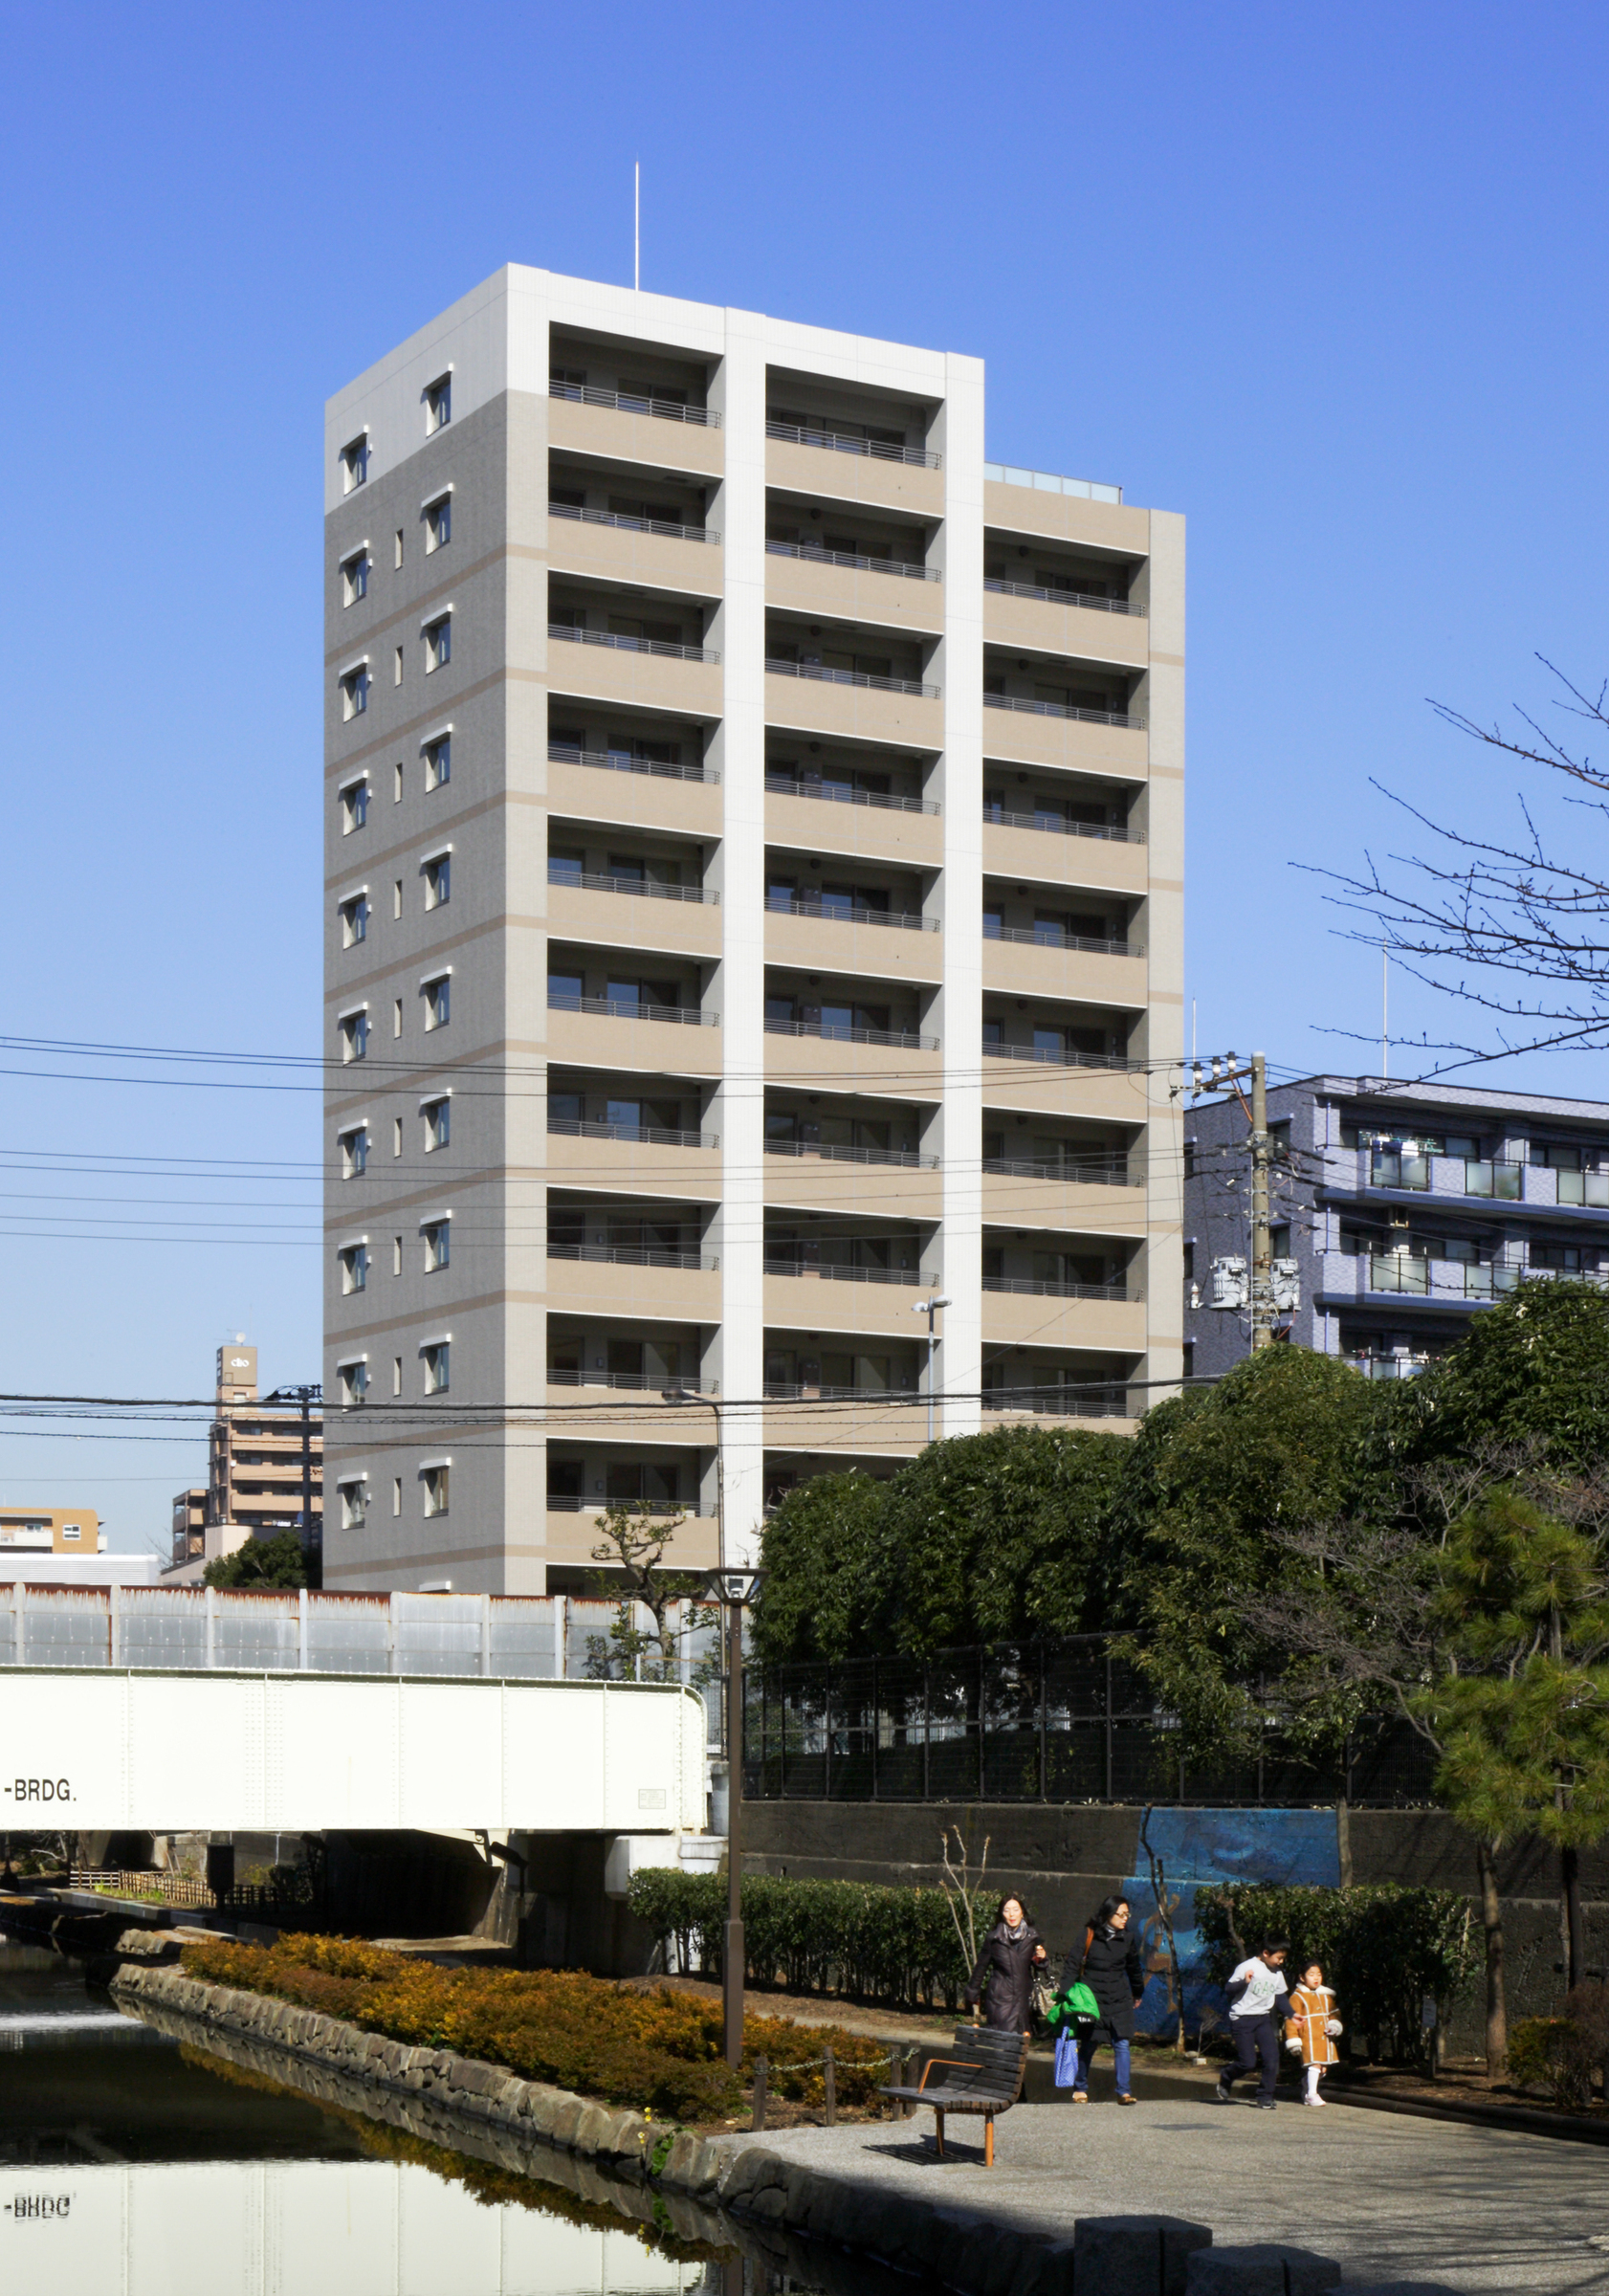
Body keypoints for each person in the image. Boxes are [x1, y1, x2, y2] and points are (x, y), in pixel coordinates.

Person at [1058, 1893, 1146, 2105]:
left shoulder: (1127, 1939)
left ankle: (1123, 2091)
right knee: (1088, 2043)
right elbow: (1072, 1965)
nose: (1125, 1918)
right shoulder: (1088, 1935)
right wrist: (1065, 1994)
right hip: (1091, 2001)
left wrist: (1138, 1992)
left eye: (1127, 1914)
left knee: (1122, 2043)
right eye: (1121, 1914)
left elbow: (1134, 1969)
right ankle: (1080, 2088)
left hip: (1119, 1999)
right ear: (1108, 1914)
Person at [1216, 1934, 1291, 2109]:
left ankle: (1265, 2096)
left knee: (1272, 2058)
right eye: (1278, 1958)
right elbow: (1229, 1989)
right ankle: (1227, 2077)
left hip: (1262, 2018)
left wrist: (1292, 2014)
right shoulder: (1248, 1967)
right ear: (1266, 1953)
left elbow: (1280, 1997)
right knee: (1248, 2062)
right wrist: (1244, 1981)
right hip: (1242, 2019)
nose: (1281, 1962)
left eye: (1283, 1958)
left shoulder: (1277, 1973)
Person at [963, 1895, 1047, 2035]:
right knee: (1003, 2040)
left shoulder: (1032, 1937)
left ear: (1022, 1912)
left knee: (1021, 2042)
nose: (1011, 1914)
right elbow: (981, 1967)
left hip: (1023, 1998)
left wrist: (1042, 1959)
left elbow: (1040, 1966)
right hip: (1001, 1998)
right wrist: (972, 1993)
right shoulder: (994, 1938)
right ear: (1002, 1914)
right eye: (1007, 1910)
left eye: (1015, 1909)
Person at [1285, 1961, 1343, 2105]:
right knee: (1315, 2065)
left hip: (1324, 2038)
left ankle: (1307, 2084)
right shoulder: (1297, 1997)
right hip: (1308, 2038)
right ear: (1302, 1978)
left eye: (1319, 1974)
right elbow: (1291, 2020)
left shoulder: (1326, 1996)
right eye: (1311, 1974)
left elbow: (1334, 2014)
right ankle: (1312, 2094)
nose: (1316, 1978)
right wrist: (1293, 2039)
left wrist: (1334, 2025)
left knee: (1322, 2069)